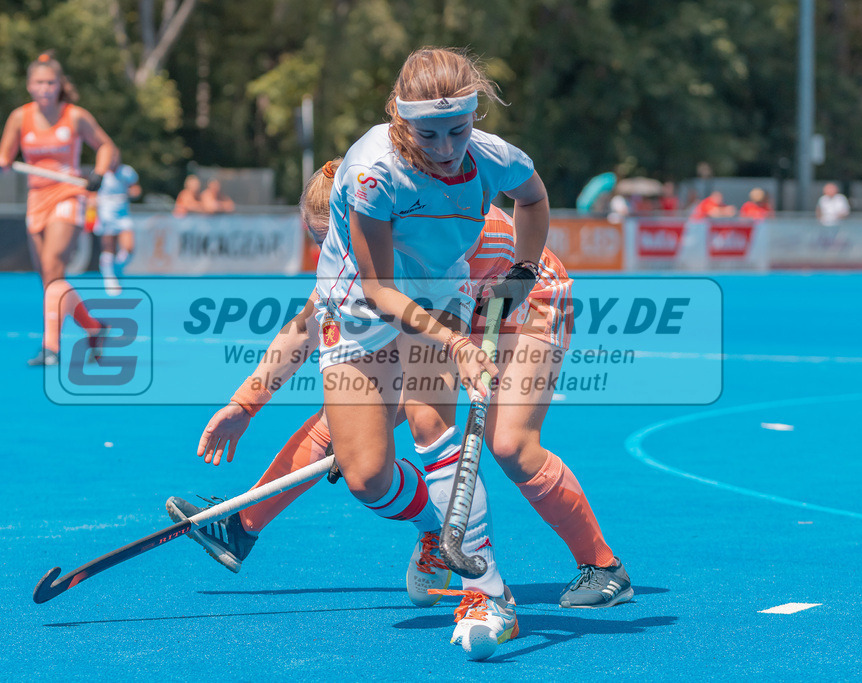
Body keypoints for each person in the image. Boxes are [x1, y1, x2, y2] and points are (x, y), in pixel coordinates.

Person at [178, 48, 564, 660]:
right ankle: (437, 527)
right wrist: (242, 406)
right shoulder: (372, 174)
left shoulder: (495, 157)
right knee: (365, 476)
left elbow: (534, 199)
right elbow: (379, 291)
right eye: (427, 133)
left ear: (475, 116)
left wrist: (519, 270)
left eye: (457, 130)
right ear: (399, 119)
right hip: (363, 314)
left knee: (435, 429)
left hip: (436, 303)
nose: (444, 147)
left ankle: (487, 594)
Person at [176, 156, 629, 611]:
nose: (336, 255)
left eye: (337, 238)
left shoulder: (435, 236)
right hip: (446, 311)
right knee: (344, 422)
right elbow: (307, 325)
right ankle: (244, 528)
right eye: (323, 242)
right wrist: (246, 403)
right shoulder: (356, 249)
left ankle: (603, 566)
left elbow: (435, 394)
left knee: (509, 445)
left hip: (523, 302)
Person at [0, 51, 119, 366]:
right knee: (48, 279)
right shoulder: (20, 117)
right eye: (39, 82)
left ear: (60, 85)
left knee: (53, 264)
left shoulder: (74, 116)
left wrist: (98, 175)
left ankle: (51, 347)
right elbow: (5, 159)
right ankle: (94, 327)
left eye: (50, 82)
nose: (45, 88)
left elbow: (107, 147)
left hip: (69, 194)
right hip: (37, 198)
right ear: (29, 86)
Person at [94, 162, 141, 296]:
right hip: (105, 214)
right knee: (109, 247)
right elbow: (90, 193)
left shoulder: (127, 171)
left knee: (129, 248)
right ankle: (109, 279)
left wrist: (132, 192)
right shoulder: (99, 173)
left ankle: (116, 268)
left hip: (123, 215)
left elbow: (136, 189)